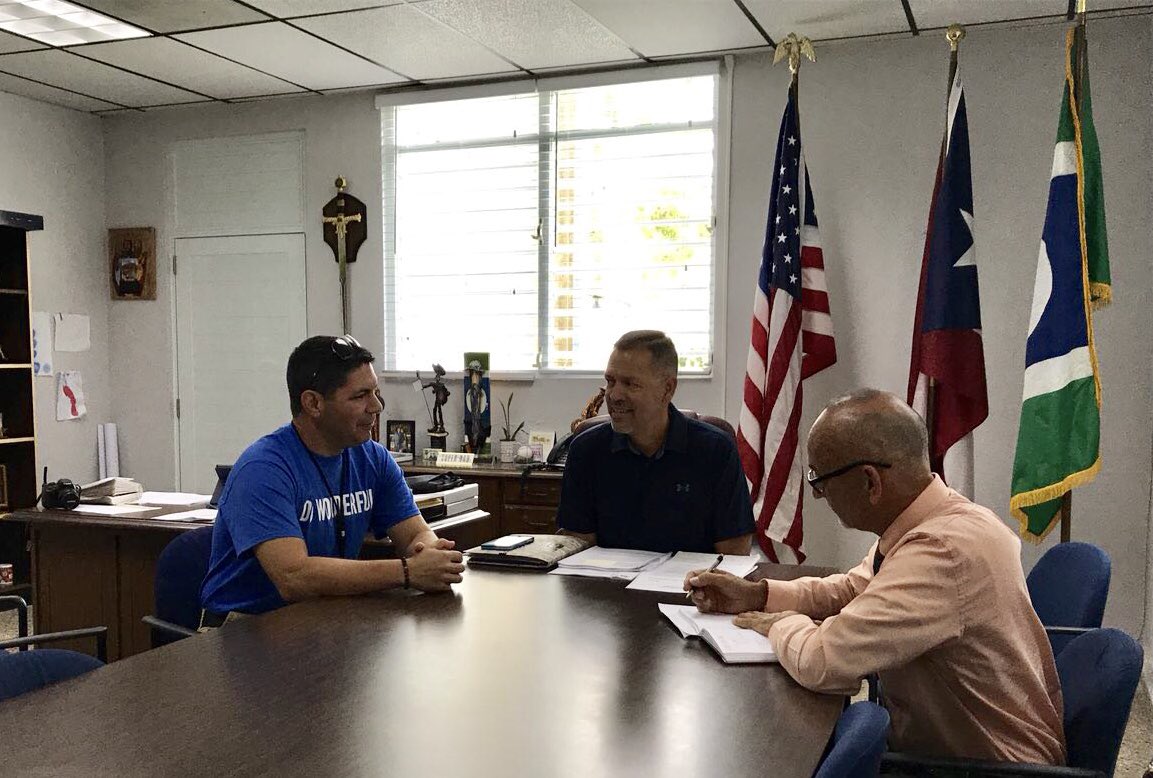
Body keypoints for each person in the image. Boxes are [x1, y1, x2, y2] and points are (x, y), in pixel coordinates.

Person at [684, 389, 1065, 765]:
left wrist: (780, 623)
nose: (817, 495)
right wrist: (757, 595)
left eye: (819, 479)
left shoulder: (941, 553)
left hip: (988, 769)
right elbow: (853, 589)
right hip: (949, 753)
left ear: (870, 481)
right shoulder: (933, 520)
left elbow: (822, 660)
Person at [200, 335, 465, 623]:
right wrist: (407, 571)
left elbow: (414, 533)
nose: (376, 407)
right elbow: (294, 577)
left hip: (323, 617)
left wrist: (428, 553)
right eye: (360, 396)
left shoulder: (372, 458)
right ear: (313, 403)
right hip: (244, 629)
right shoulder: (262, 469)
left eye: (375, 393)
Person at [557, 330, 754, 554]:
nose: (614, 395)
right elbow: (577, 550)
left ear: (667, 389)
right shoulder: (586, 450)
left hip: (691, 586)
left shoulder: (715, 450)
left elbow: (733, 554)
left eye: (631, 384)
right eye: (611, 381)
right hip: (605, 586)